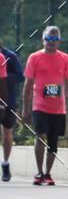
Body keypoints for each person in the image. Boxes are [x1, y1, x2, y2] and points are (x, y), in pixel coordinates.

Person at [22, 26, 68, 185]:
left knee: (53, 141)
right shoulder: (34, 58)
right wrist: (25, 108)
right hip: (39, 106)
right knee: (40, 137)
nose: (51, 42)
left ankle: (48, 174)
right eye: (48, 39)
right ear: (43, 40)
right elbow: (28, 84)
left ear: (59, 42)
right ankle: (39, 172)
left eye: (54, 40)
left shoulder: (64, 58)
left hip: (58, 108)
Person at [0, 40, 24, 182]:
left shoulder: (10, 56)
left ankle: (5, 163)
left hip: (8, 101)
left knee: (7, 132)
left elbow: (20, 76)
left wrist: (3, 76)